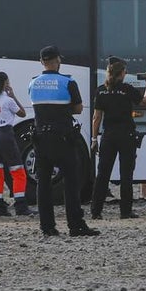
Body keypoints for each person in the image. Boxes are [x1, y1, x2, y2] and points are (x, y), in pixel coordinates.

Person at [28, 45, 98, 237]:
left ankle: (47, 227)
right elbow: (77, 108)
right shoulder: (68, 82)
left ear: (42, 62)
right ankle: (75, 225)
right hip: (63, 138)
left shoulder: (33, 83)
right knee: (71, 182)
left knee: (43, 183)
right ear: (58, 61)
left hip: (41, 138)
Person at [91, 58, 146, 220]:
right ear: (121, 74)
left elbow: (96, 118)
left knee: (103, 174)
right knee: (126, 174)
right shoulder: (127, 89)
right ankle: (125, 211)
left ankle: (96, 211)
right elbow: (145, 101)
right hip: (126, 136)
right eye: (125, 71)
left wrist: (94, 139)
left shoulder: (101, 91)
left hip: (108, 136)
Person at [0, 71, 34, 217]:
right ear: (5, 84)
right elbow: (23, 113)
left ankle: (0, 208)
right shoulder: (8, 100)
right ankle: (21, 206)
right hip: (4, 135)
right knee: (18, 171)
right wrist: (13, 96)